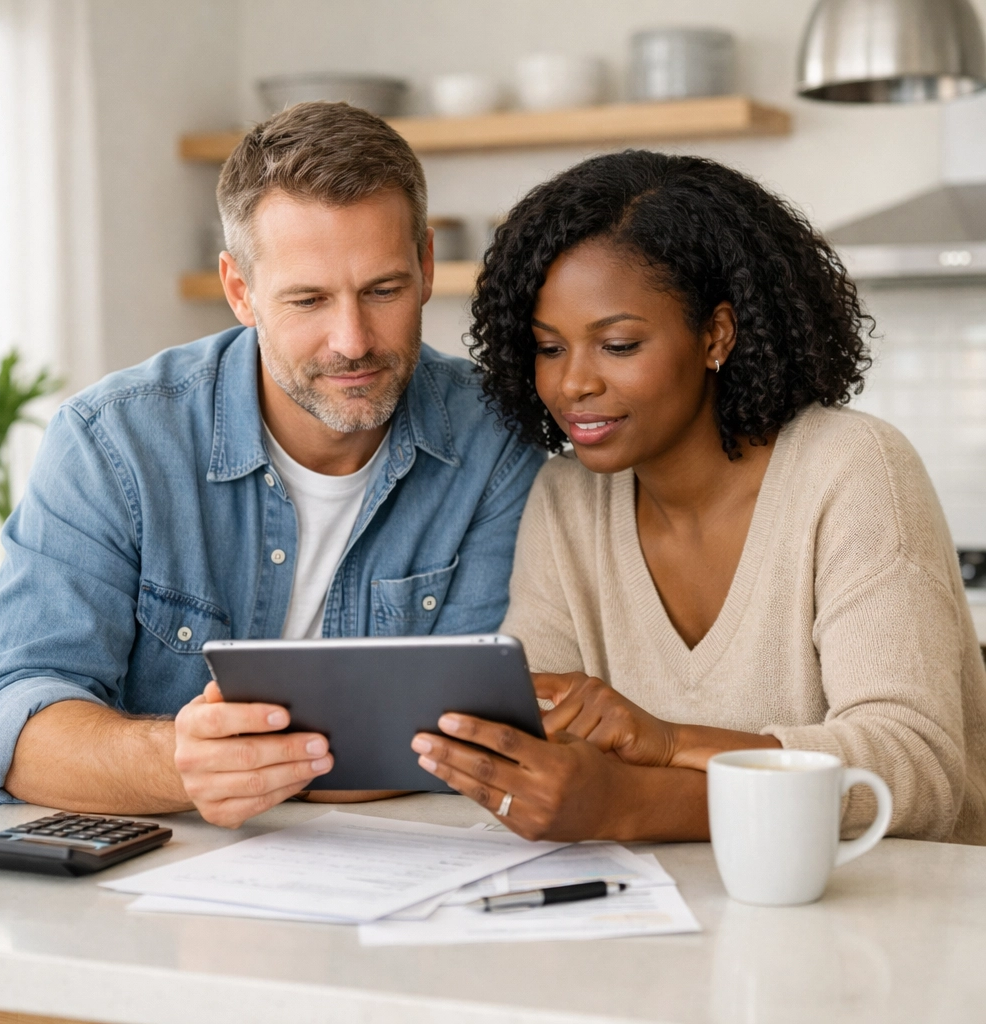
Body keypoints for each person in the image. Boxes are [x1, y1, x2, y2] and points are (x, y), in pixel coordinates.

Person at [0, 102, 544, 827]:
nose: (353, 340)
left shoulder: (498, 442)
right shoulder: (112, 442)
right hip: (161, 888)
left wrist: (267, 765)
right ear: (240, 291)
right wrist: (178, 761)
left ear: (427, 266)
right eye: (307, 299)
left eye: (383, 290)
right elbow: (1, 720)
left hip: (401, 873)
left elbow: (474, 737)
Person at [411, 150, 986, 846]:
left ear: (716, 334)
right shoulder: (568, 501)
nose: (572, 385)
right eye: (549, 348)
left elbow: (916, 768)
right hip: (676, 922)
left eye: (618, 345)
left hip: (889, 921)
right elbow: (540, 738)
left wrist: (656, 762)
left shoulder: (851, 470)